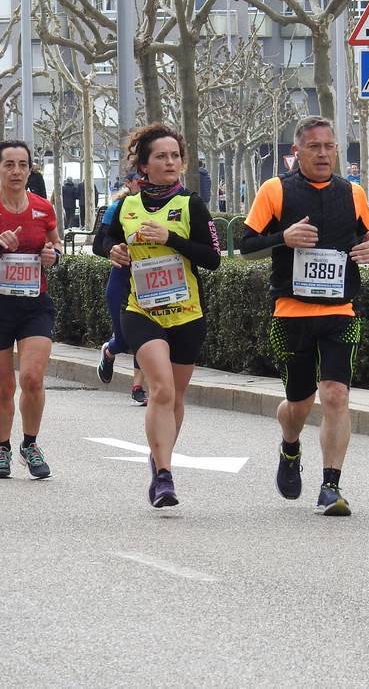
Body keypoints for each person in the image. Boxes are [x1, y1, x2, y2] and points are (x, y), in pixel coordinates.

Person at [239, 116, 369, 517]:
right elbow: (246, 245)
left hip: (340, 310)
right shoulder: (275, 190)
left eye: (329, 146)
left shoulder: (353, 193)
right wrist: (284, 237)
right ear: (296, 153)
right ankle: (289, 443)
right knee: (299, 403)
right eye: (314, 147)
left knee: (335, 393)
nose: (322, 153)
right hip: (291, 313)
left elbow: (368, 242)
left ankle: (330, 487)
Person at [102, 123, 221, 508]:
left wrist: (170, 239)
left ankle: (159, 459)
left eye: (175, 156)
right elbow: (101, 241)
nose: (170, 162)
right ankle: (166, 477)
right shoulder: (126, 205)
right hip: (142, 310)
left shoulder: (191, 205)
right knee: (162, 389)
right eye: (161, 156)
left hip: (187, 313)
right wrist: (114, 252)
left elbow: (213, 258)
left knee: (177, 396)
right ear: (144, 163)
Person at [0, 141, 61, 480]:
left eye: (23, 165)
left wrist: (53, 256)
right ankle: (2, 448)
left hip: (34, 304)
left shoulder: (43, 208)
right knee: (4, 387)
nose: (16, 171)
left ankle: (30, 445)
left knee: (32, 378)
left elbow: (56, 245)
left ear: (30, 169)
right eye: (9, 165)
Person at [94, 170, 148, 405]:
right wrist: (115, 249)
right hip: (122, 279)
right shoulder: (119, 207)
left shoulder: (169, 205)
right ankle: (109, 350)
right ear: (129, 183)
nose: (145, 184)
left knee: (145, 336)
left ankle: (138, 387)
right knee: (125, 340)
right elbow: (99, 244)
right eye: (140, 180)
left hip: (149, 282)